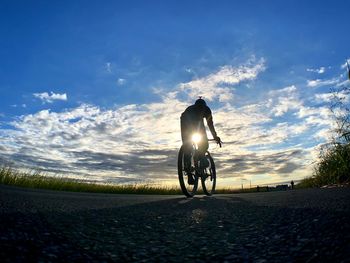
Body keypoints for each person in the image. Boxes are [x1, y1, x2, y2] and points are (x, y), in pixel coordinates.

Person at [180, 98, 221, 184]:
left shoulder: (206, 110)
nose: (200, 111)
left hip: (192, 122)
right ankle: (190, 171)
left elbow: (210, 124)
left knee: (196, 143)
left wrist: (215, 135)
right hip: (186, 120)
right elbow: (208, 125)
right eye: (199, 109)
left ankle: (197, 158)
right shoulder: (192, 111)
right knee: (189, 145)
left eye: (201, 110)